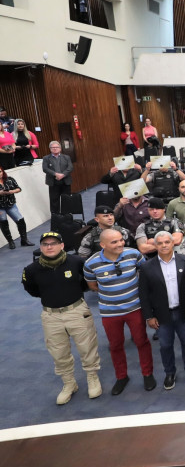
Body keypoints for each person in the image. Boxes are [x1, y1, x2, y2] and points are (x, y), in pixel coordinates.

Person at [21, 231, 102, 404]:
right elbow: (33, 290)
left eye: (53, 243)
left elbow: (86, 283)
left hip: (76, 311)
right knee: (58, 352)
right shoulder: (31, 269)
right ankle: (69, 383)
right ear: (41, 247)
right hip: (51, 316)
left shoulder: (77, 262)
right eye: (45, 244)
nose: (49, 247)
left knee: (87, 347)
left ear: (62, 245)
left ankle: (92, 377)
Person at [83, 229, 155, 395]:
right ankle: (122, 376)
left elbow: (144, 274)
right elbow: (92, 285)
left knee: (142, 341)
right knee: (115, 345)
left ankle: (147, 373)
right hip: (110, 312)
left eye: (121, 240)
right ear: (103, 245)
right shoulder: (91, 263)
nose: (120, 244)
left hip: (135, 309)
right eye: (114, 242)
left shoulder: (133, 254)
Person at [139, 231, 185, 390]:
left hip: (183, 312)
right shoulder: (146, 267)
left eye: (167, 242)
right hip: (161, 315)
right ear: (155, 245)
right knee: (165, 346)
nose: (164, 245)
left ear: (173, 243)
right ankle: (169, 372)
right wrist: (148, 316)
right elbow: (143, 294)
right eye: (160, 243)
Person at [0, 167, 34, 248]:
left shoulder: (9, 179)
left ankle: (24, 240)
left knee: (20, 220)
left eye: (0, 171)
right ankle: (10, 242)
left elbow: (19, 188)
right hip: (0, 207)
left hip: (11, 204)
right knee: (4, 223)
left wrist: (12, 191)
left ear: (2, 171)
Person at [42, 141, 73, 214]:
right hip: (53, 182)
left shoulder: (66, 157)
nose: (55, 149)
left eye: (57, 147)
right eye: (53, 147)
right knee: (54, 200)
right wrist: (55, 174)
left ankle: (67, 214)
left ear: (60, 148)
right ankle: (55, 216)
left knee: (66, 198)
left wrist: (63, 174)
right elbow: (45, 169)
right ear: (50, 149)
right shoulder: (46, 158)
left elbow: (70, 167)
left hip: (65, 180)